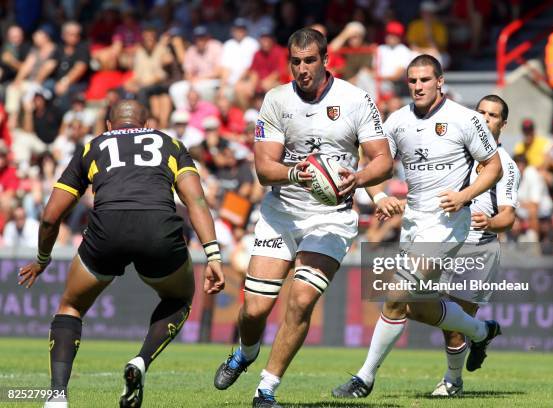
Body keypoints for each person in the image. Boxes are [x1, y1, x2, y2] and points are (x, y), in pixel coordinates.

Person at [212, 28, 393, 408]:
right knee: (255, 309)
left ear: (326, 60)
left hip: (331, 218)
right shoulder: (276, 100)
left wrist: (358, 179)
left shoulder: (356, 100)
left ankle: (266, 389)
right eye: (295, 61)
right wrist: (297, 173)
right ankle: (245, 353)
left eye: (310, 60)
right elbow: (264, 168)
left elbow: (383, 160)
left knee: (302, 298)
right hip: (281, 215)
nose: (302, 68)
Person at [18, 100, 225, 408]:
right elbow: (196, 200)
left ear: (109, 126)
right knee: (179, 298)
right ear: (149, 122)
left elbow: (50, 216)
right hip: (159, 230)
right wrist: (213, 256)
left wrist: (42, 259)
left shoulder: (94, 146)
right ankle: (141, 361)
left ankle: (57, 396)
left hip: (107, 230)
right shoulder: (170, 144)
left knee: (71, 306)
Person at [332, 55, 503, 399]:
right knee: (419, 306)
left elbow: (493, 166)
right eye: (412, 81)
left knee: (395, 297)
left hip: (448, 224)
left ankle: (363, 379)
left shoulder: (465, 119)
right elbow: (375, 165)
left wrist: (464, 195)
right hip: (414, 223)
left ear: (440, 81)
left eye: (425, 80)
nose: (418, 86)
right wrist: (379, 196)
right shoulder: (397, 121)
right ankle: (482, 331)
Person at [429, 94, 520, 396]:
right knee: (445, 316)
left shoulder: (505, 164)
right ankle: (482, 334)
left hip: (479, 248)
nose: (484, 118)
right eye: (480, 112)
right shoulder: (457, 152)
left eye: (492, 115)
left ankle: (452, 381)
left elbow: (508, 216)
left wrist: (490, 222)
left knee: (454, 319)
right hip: (448, 243)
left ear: (503, 124)